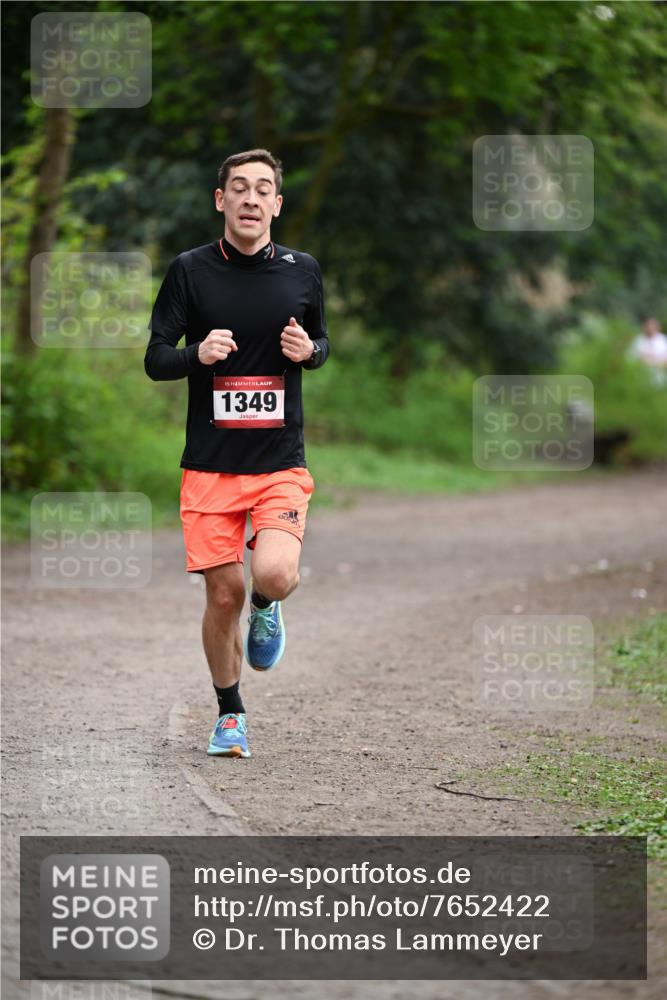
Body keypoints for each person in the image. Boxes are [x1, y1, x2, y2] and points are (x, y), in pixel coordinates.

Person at [144, 149, 329, 758]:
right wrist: (195, 354)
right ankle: (230, 714)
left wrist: (310, 352)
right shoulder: (189, 271)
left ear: (277, 204)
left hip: (279, 461)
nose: (252, 198)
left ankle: (268, 606)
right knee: (223, 594)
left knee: (271, 575)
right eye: (240, 188)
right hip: (210, 464)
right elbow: (156, 358)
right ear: (220, 200)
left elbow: (321, 342)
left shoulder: (303, 271)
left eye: (263, 189)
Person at [629, 316, 667, 385]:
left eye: (652, 326)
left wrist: (657, 364)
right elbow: (630, 357)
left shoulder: (663, 340)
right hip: (639, 373)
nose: (650, 328)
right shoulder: (638, 340)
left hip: (659, 374)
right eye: (648, 326)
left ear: (657, 327)